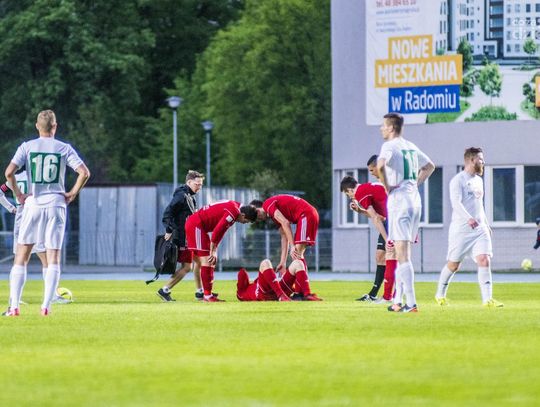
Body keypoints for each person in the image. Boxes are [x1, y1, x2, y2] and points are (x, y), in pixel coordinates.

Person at [3, 110, 90, 317]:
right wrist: (72, 193)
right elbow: (84, 172)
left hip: (33, 204)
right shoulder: (63, 148)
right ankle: (45, 306)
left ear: (37, 126)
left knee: (21, 256)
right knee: (53, 257)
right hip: (56, 204)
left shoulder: (27, 147)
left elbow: (9, 173)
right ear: (55, 126)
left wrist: (19, 194)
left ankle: (14, 306)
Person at [377, 112, 434, 313]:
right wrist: (415, 184)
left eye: (384, 125)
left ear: (391, 128)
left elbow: (380, 165)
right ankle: (398, 300)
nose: (381, 128)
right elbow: (430, 166)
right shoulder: (410, 145)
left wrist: (387, 186)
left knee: (401, 254)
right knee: (403, 253)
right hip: (414, 202)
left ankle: (411, 303)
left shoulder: (389, 146)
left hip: (400, 202)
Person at [435, 147, 503, 308]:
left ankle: (487, 300)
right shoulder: (457, 180)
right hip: (461, 230)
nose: (483, 162)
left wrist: (485, 223)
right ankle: (440, 295)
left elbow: (479, 205)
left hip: (479, 229)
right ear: (472, 160)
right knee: (454, 265)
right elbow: (456, 203)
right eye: (480, 159)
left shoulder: (479, 181)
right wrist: (469, 218)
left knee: (484, 259)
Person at [340, 155, 397, 304]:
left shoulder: (360, 193)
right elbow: (378, 216)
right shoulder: (367, 189)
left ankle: (394, 295)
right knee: (380, 256)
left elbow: (377, 219)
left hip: (394, 220)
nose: (349, 197)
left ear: (349, 189)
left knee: (392, 255)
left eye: (347, 194)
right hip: (389, 220)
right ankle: (374, 294)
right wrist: (360, 211)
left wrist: (387, 240)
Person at [250, 195, 322, 301]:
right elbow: (284, 236)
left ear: (258, 208)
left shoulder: (267, 205)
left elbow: (285, 222)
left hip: (306, 215)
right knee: (298, 255)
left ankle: (301, 293)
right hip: (308, 214)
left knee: (297, 254)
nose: (258, 218)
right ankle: (301, 293)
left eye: (257, 215)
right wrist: (282, 262)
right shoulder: (273, 214)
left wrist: (292, 246)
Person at [185, 200, 257, 302]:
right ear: (243, 215)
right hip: (196, 225)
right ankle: (207, 295)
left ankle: (204, 292)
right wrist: (213, 251)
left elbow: (221, 231)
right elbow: (218, 231)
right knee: (208, 261)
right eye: (245, 221)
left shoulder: (236, 206)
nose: (243, 223)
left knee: (206, 262)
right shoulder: (234, 212)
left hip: (198, 225)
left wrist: (214, 249)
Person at [157, 170, 204, 302]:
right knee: (187, 267)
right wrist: (169, 230)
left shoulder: (190, 196)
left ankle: (200, 292)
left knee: (199, 262)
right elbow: (168, 213)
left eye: (201, 185)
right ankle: (164, 290)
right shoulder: (181, 195)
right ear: (189, 182)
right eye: (197, 184)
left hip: (190, 237)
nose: (199, 187)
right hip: (183, 238)